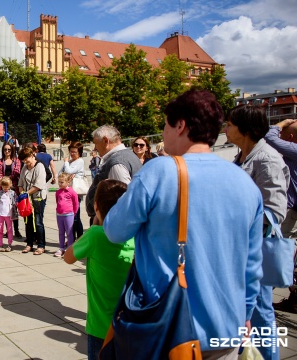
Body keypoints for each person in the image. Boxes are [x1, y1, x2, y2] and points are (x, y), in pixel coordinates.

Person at [103, 90, 264, 359]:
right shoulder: (245, 182)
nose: (163, 133)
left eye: (165, 124)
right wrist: (245, 315)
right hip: (226, 328)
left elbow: (114, 230)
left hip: (169, 328)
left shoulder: (160, 171)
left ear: (180, 125)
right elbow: (252, 266)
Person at [225, 105, 288, 359]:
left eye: (230, 124)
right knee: (246, 309)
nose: (225, 128)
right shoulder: (242, 155)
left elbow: (275, 211)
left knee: (261, 311)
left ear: (247, 129)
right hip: (240, 247)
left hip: (257, 248)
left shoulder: (268, 158)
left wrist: (237, 218)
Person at [64, 179, 134, 359]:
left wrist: (94, 226)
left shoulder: (95, 235)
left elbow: (68, 257)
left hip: (100, 326)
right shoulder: (136, 235)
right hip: (131, 323)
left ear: (96, 206)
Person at [266, 119, 297, 312]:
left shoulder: (294, 149)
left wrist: (282, 123)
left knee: (280, 245)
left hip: (291, 209)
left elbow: (269, 137)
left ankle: (275, 282)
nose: (281, 137)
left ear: (291, 138)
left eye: (284, 135)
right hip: (293, 208)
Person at [85, 125, 142, 224]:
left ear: (106, 141)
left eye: (96, 143)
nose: (95, 148)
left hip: (109, 225)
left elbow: (122, 198)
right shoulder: (125, 156)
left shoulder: (117, 163)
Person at [18, 147, 47, 255]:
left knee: (38, 222)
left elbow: (38, 185)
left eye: (26, 159)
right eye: (23, 160)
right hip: (27, 199)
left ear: (32, 155)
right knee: (28, 222)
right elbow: (20, 183)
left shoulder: (40, 166)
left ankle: (41, 245)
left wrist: (27, 193)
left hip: (37, 198)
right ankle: (29, 244)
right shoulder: (25, 168)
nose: (26, 162)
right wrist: (22, 194)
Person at [59, 142, 86, 239]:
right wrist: (67, 165)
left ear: (79, 152)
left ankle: (80, 238)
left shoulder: (80, 161)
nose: (72, 154)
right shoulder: (70, 162)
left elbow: (69, 171)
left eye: (74, 152)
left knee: (76, 217)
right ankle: (72, 238)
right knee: (70, 218)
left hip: (75, 192)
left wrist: (66, 163)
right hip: (67, 192)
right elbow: (61, 173)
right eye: (71, 151)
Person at [0, 143, 23, 238]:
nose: (7, 151)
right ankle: (7, 230)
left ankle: (16, 230)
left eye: (9, 150)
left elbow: (17, 173)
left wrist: (6, 180)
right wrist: (2, 180)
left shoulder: (16, 161)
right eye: (5, 150)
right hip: (3, 189)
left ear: (12, 151)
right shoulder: (0, 161)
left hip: (13, 188)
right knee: (5, 210)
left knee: (14, 209)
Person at [54, 173, 79, 258]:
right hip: (59, 214)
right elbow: (57, 201)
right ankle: (61, 248)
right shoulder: (58, 192)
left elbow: (76, 203)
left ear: (68, 182)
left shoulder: (72, 192)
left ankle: (69, 248)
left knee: (69, 232)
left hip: (69, 214)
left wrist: (74, 213)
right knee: (61, 232)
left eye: (62, 182)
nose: (60, 184)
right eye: (59, 182)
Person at [0, 176, 17, 252]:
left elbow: (16, 202)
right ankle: (0, 244)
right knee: (0, 229)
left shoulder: (12, 193)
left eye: (7, 187)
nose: (5, 188)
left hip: (9, 215)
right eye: (4, 187)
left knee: (9, 229)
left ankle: (9, 244)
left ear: (10, 185)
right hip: (1, 214)